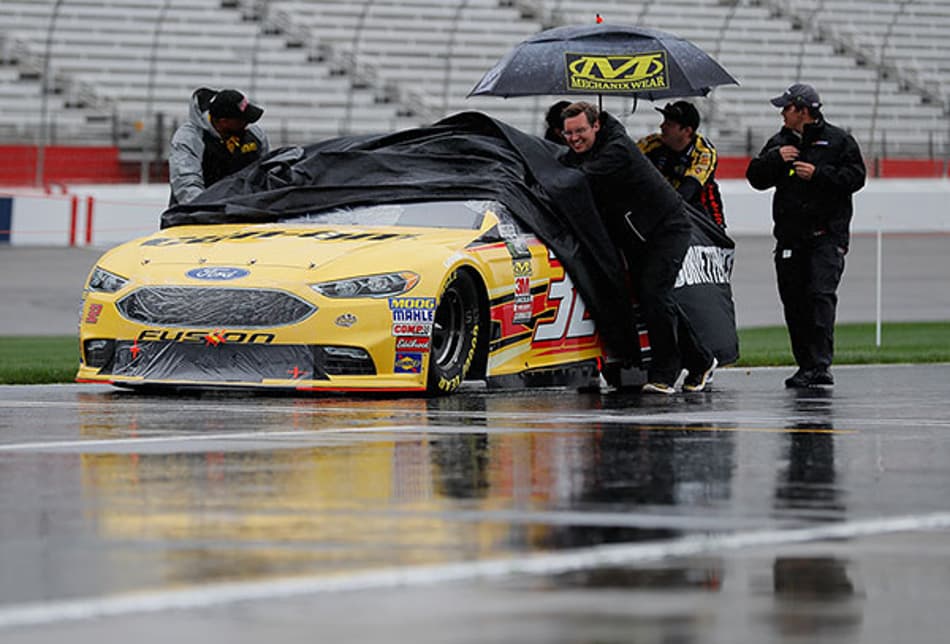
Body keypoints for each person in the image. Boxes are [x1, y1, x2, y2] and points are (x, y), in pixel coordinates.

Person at [558, 101, 717, 394]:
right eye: (568, 133)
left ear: (596, 125)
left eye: (580, 131)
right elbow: (564, 168)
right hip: (636, 235)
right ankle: (701, 360)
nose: (574, 138)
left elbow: (575, 178)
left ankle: (665, 373)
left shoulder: (616, 148)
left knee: (655, 294)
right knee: (651, 297)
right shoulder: (582, 153)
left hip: (666, 228)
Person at [745, 83, 866, 388]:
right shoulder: (779, 142)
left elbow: (856, 177)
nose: (782, 114)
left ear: (802, 110)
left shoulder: (838, 140)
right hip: (790, 239)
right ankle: (806, 366)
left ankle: (821, 365)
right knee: (795, 302)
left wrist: (818, 174)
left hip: (826, 236)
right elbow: (755, 177)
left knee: (820, 296)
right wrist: (776, 159)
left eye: (786, 108)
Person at [168, 87, 270, 206]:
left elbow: (267, 174)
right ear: (223, 122)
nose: (248, 124)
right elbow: (186, 185)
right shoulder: (189, 138)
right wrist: (213, 211)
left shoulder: (255, 134)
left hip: (246, 211)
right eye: (242, 120)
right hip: (198, 212)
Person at [637, 100, 726, 228]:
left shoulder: (703, 151)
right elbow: (627, 161)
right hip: (665, 206)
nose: (662, 126)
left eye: (669, 124)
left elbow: (688, 189)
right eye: (664, 121)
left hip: (702, 211)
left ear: (687, 131)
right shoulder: (652, 143)